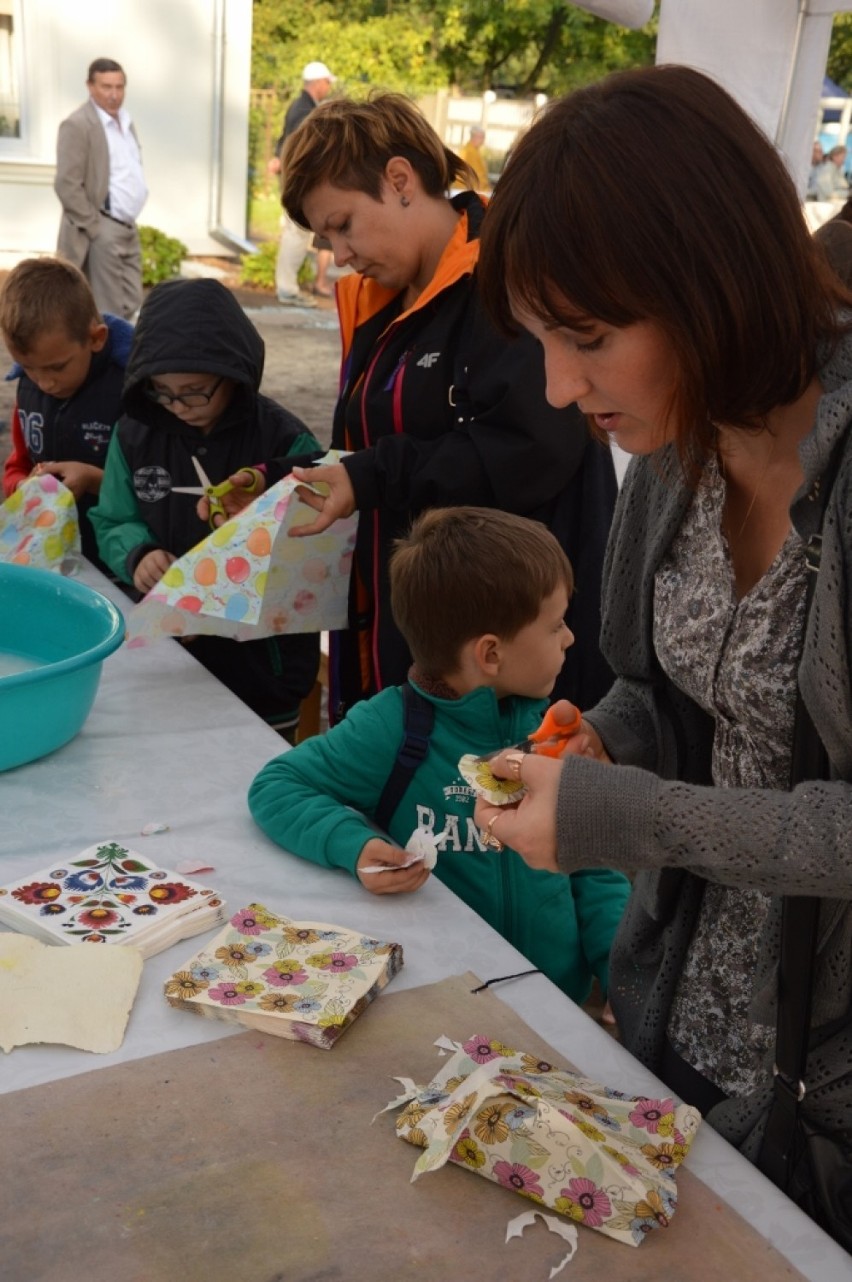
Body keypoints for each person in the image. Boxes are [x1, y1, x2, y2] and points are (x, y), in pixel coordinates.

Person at [472, 64, 852, 1238]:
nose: (557, 385)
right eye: (540, 338)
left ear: (711, 279)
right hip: (678, 1024)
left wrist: (625, 813)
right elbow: (665, 687)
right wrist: (609, 735)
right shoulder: (681, 448)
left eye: (586, 337)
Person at [206, 93, 617, 723]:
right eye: (325, 237)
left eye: (343, 224)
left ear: (400, 180)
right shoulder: (383, 302)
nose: (338, 255)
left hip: (508, 654)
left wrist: (367, 477)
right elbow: (381, 449)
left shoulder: (506, 277)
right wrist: (285, 481)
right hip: (414, 627)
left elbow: (531, 449)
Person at [249, 505, 630, 1004]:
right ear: (490, 654)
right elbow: (276, 787)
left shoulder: (557, 732)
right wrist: (353, 845)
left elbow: (594, 868)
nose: (570, 637)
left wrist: (622, 979)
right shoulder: (391, 727)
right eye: (556, 624)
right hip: (440, 1000)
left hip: (555, 1002)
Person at [90, 277, 322, 734]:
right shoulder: (134, 434)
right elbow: (113, 518)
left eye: (194, 390)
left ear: (233, 373)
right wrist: (137, 554)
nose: (178, 405)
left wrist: (213, 601)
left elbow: (310, 558)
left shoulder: (284, 440)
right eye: (162, 391)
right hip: (166, 660)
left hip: (262, 671)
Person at [1, 256, 133, 572]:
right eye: (28, 368)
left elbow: (155, 487)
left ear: (96, 338)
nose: (45, 383)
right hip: (49, 558)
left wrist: (93, 480)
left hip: (117, 564)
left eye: (57, 367)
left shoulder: (131, 393)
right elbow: (17, 465)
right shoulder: (29, 390)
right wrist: (25, 487)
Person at [54, 58, 147, 319]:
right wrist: (95, 227)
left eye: (119, 87)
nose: (114, 94)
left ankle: (126, 357)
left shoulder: (126, 122)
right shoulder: (78, 124)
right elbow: (66, 183)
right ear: (90, 86)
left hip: (128, 226)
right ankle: (113, 360)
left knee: (133, 301)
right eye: (106, 87)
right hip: (101, 226)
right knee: (109, 309)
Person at [268, 61, 336, 306]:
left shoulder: (298, 107)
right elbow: (296, 147)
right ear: (318, 82)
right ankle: (287, 289)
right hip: (297, 180)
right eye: (327, 82)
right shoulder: (304, 111)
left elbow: (283, 140)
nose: (328, 87)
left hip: (292, 178)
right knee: (296, 233)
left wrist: (277, 156)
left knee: (294, 232)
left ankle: (287, 287)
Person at [457, 125, 490, 193]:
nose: (483, 141)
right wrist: (485, 191)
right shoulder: (468, 152)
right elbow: (476, 175)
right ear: (474, 137)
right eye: (481, 137)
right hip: (468, 189)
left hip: (470, 189)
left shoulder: (475, 151)